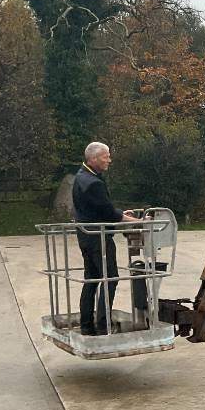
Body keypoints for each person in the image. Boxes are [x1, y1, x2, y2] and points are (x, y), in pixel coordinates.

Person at [72, 142, 138, 335]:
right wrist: (135, 221)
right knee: (111, 278)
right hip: (98, 238)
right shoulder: (93, 183)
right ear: (92, 159)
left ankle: (86, 325)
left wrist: (121, 215)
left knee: (92, 279)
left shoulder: (82, 177)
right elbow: (108, 212)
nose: (109, 159)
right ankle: (102, 324)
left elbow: (99, 209)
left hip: (86, 236)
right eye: (105, 156)